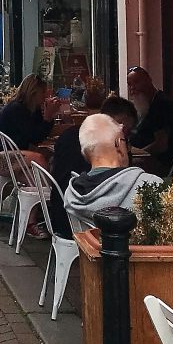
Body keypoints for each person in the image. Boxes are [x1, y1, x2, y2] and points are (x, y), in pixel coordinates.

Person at [48, 96, 139, 239]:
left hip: (62, 216)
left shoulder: (68, 135)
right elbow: (122, 184)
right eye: (126, 132)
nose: (126, 137)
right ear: (118, 124)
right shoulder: (110, 154)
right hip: (95, 231)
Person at [0, 74, 60, 238]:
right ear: (34, 93)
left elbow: (39, 135)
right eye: (43, 93)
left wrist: (47, 117)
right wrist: (48, 117)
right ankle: (50, 204)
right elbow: (34, 136)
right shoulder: (16, 109)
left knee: (33, 176)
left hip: (14, 156)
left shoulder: (34, 110)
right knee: (39, 159)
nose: (45, 96)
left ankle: (30, 223)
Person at [62, 113, 163, 234]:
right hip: (137, 252)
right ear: (119, 144)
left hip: (89, 251)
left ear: (85, 154)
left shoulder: (72, 194)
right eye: (125, 141)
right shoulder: (150, 185)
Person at [127, 66, 173, 176]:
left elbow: (161, 144)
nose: (132, 88)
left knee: (120, 168)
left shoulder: (162, 105)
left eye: (136, 82)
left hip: (161, 163)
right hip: (145, 157)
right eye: (129, 84)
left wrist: (138, 154)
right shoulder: (145, 105)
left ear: (148, 80)